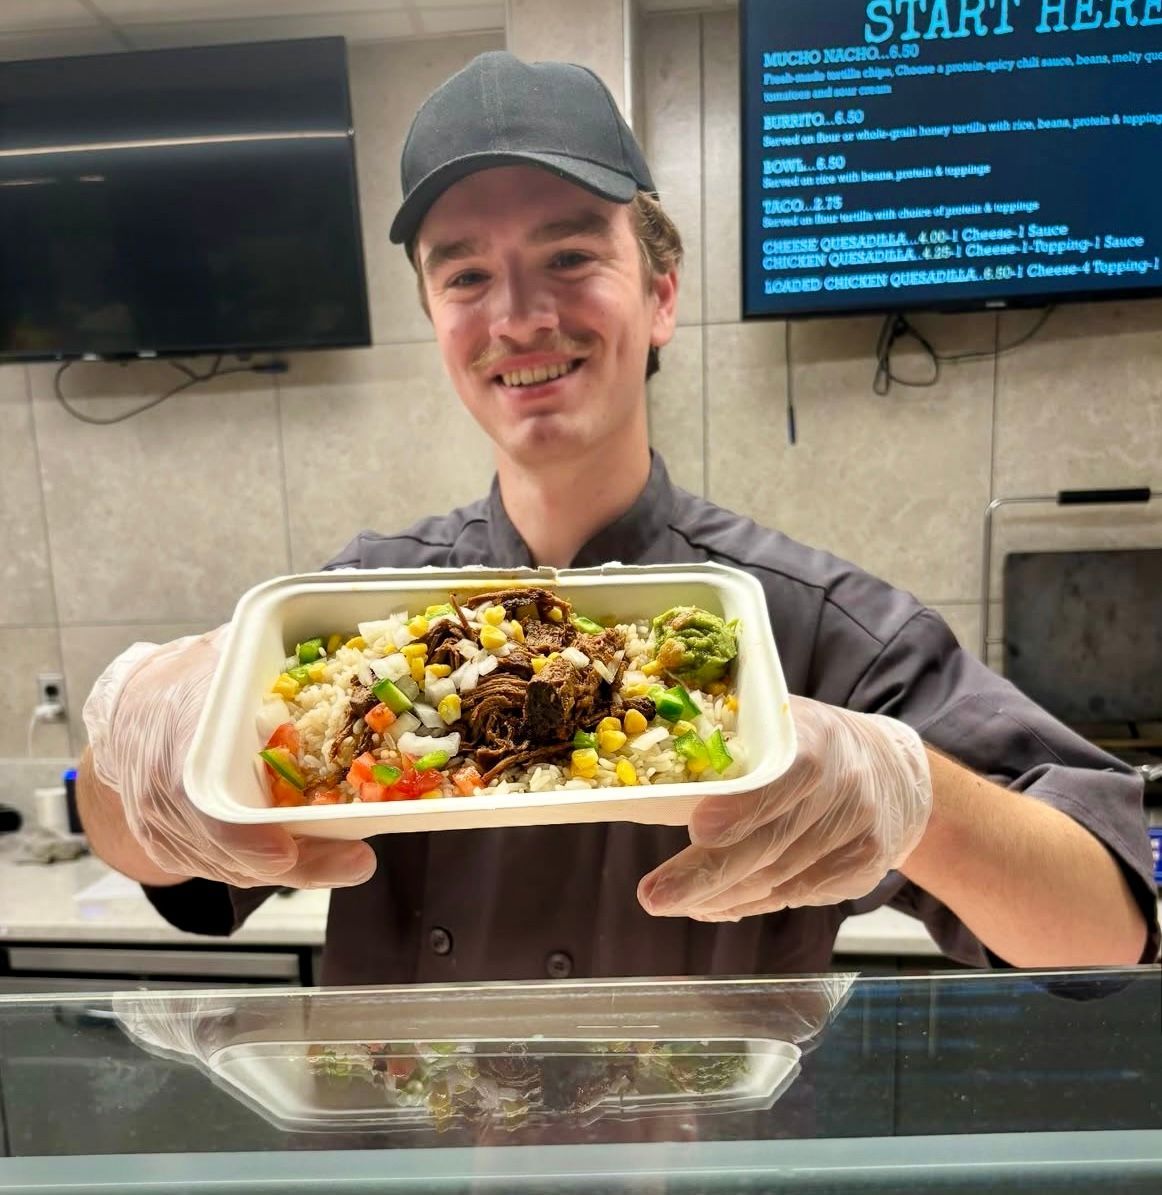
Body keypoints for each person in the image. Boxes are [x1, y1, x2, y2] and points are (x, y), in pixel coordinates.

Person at [78, 52, 1158, 984]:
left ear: (660, 296)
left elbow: (1106, 932)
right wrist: (131, 744)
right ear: (434, 321)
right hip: (426, 1160)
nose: (518, 316)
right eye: (465, 276)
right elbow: (147, 853)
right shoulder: (357, 618)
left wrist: (914, 798)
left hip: (704, 1161)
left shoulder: (814, 625)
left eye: (569, 255)